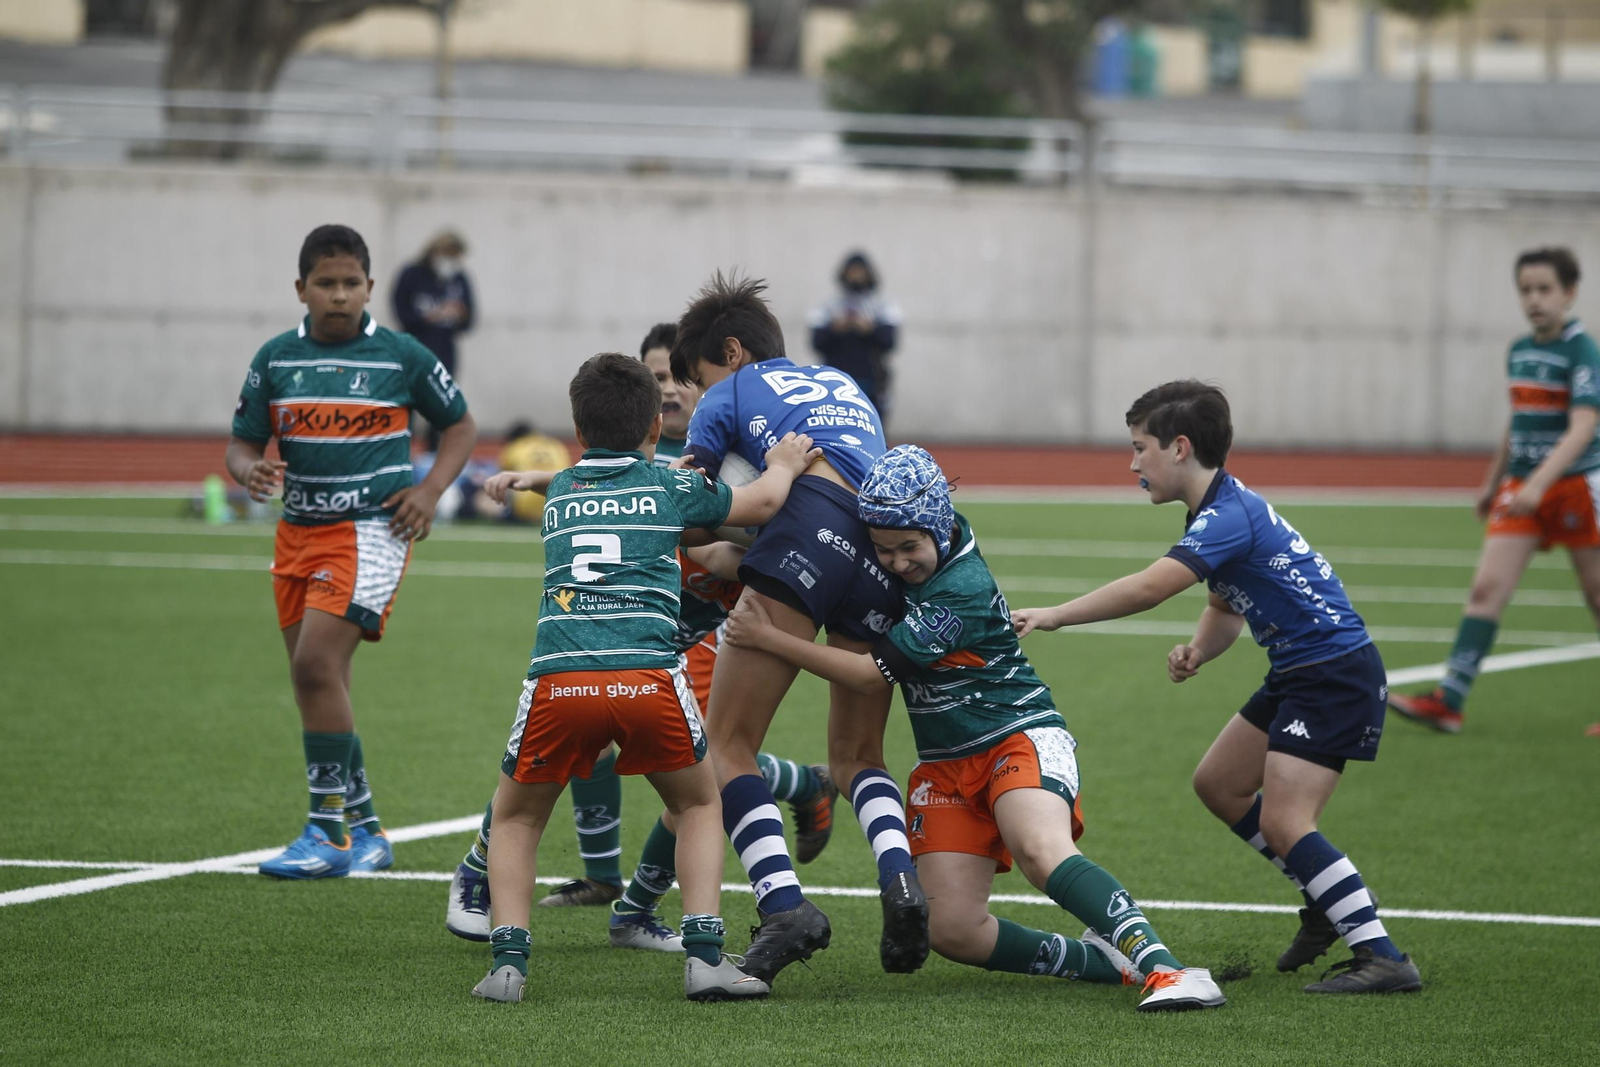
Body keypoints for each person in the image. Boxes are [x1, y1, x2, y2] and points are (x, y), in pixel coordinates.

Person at [724, 445, 1227, 1012]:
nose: (895, 563)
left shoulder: (959, 589)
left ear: (938, 526)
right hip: (946, 765)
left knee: (1040, 850)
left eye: (909, 547)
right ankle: (1104, 962)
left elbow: (869, 676)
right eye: (883, 549)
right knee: (952, 931)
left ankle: (1169, 969)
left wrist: (770, 640)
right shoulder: (906, 561)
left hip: (1017, 735)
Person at [1010, 381, 1423, 995]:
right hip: (1301, 671)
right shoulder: (1216, 509)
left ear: (1179, 448)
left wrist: (1055, 613)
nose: (1132, 464)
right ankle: (1327, 893)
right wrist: (1200, 648)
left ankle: (1382, 954)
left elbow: (1152, 587)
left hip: (1333, 674)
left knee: (1287, 821)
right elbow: (1225, 608)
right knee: (1220, 784)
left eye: (1139, 448)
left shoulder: (1227, 516)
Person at [444, 325, 838, 946]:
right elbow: (724, 503)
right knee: (680, 770)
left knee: (689, 754)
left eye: (679, 379)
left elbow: (724, 531)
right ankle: (603, 892)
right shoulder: (673, 476)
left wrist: (739, 549)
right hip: (639, 638)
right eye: (656, 379)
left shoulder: (717, 445)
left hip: (694, 632)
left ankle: (623, 909)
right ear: (651, 415)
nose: (671, 391)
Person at [672, 272, 924, 986]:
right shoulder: (846, 384)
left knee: (726, 744)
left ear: (731, 350)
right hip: (884, 547)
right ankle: (898, 875)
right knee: (854, 756)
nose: (696, 392)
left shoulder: (730, 392)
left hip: (808, 527)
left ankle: (785, 907)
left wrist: (698, 525)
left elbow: (692, 505)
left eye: (697, 376)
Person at [225, 224, 478, 879]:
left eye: (351, 284)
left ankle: (326, 831)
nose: (339, 295)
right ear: (301, 288)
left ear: (369, 286)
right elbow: (242, 442)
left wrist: (429, 489)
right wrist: (247, 470)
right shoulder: (276, 358)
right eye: (326, 284)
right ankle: (367, 830)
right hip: (297, 533)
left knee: (314, 666)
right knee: (321, 681)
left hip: (372, 531)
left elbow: (459, 424)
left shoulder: (403, 355)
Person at [1388, 247, 1600, 736]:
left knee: (1595, 595)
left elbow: (1584, 427)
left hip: (1574, 489)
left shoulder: (1581, 350)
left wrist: (1541, 484)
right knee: (1486, 590)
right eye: (1525, 290)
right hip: (1520, 488)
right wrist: (1493, 483)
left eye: (1545, 289)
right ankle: (1449, 701)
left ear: (1569, 293)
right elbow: (1518, 421)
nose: (1534, 299)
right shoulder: (1520, 350)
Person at [392, 231, 475, 452]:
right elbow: (401, 311)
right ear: (435, 253)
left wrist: (459, 314)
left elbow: (469, 321)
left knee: (440, 407)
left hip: (445, 353)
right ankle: (402, 452)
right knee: (407, 404)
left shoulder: (459, 279)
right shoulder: (411, 274)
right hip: (414, 349)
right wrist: (428, 317)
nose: (451, 263)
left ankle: (434, 455)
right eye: (448, 256)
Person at [809, 251, 901, 425]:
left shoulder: (882, 304)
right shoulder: (829, 305)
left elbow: (890, 341)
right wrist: (835, 329)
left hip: (871, 380)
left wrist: (869, 329)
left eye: (860, 272)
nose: (856, 277)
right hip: (835, 380)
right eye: (852, 271)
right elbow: (816, 342)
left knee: (873, 425)